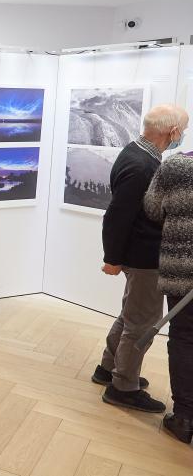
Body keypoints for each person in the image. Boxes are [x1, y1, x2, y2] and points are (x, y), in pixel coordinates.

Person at [93, 105, 180, 415]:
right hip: (143, 256)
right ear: (173, 132)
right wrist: (112, 258)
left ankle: (108, 369)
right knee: (142, 322)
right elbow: (117, 215)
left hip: (138, 253)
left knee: (131, 315)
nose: (181, 135)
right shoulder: (142, 164)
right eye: (182, 131)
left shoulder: (136, 153)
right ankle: (123, 387)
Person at [142, 106, 193, 443]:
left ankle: (185, 417)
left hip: (181, 269)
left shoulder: (176, 166)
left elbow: (152, 207)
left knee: (185, 337)